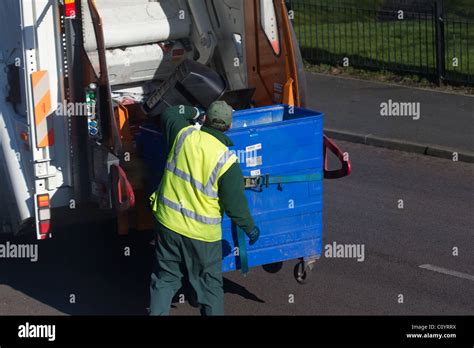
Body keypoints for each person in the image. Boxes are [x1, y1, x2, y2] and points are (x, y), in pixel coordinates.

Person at [149, 101, 260, 316]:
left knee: (166, 278)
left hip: (168, 223)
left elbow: (171, 112)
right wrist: (250, 228)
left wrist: (194, 111)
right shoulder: (228, 162)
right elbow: (235, 206)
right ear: (228, 127)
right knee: (209, 288)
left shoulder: (183, 135)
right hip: (202, 236)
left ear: (205, 120)